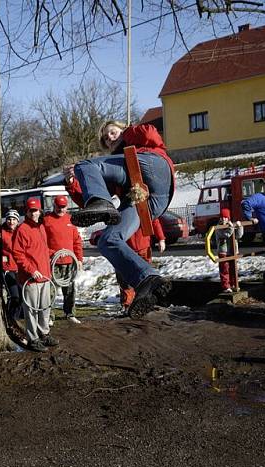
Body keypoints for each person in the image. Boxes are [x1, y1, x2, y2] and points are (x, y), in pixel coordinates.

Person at [65, 123, 175, 318]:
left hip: (154, 168)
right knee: (107, 241)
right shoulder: (114, 164)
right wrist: (73, 184)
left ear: (122, 130)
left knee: (85, 165)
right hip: (144, 200)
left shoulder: (137, 138)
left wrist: (128, 132)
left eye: (113, 132)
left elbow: (150, 133)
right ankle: (148, 280)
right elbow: (89, 198)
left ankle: (103, 204)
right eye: (107, 138)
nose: (111, 138)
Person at [12, 197, 59, 352]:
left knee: (45, 307)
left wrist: (55, 254)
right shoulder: (22, 229)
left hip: (45, 276)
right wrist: (32, 270)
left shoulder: (41, 227)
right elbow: (18, 254)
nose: (34, 213)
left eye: (36, 210)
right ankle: (33, 338)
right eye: (31, 210)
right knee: (31, 310)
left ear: (40, 211)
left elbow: (42, 250)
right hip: (30, 279)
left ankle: (44, 333)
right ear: (26, 211)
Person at [43, 195, 84, 324]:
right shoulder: (47, 220)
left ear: (67, 206)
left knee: (70, 290)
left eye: (63, 207)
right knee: (50, 291)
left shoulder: (70, 220)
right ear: (54, 205)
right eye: (58, 207)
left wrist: (79, 259)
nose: (61, 209)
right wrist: (52, 253)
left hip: (69, 262)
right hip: (53, 263)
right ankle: (49, 316)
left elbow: (77, 241)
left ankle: (70, 313)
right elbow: (42, 242)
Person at [211, 208, 244, 293]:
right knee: (225, 269)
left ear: (229, 218)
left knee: (233, 268)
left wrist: (239, 226)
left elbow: (239, 235)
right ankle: (226, 286)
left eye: (226, 217)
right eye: (222, 217)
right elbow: (226, 234)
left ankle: (233, 284)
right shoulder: (218, 227)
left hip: (232, 250)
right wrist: (232, 227)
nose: (224, 219)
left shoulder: (230, 225)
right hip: (223, 251)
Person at [0, 209, 22, 325]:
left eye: (14, 219)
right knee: (14, 295)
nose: (11, 221)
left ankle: (18, 317)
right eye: (9, 219)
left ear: (17, 220)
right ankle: (12, 319)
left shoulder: (21, 231)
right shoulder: (1, 231)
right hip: (8, 268)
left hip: (20, 267)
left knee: (22, 294)